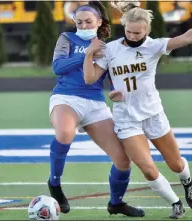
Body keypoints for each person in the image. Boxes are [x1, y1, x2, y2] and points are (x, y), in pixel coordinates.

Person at [83, 1, 192, 219]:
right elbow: (90, 78)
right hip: (126, 119)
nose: (133, 36)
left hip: (153, 114)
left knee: (175, 163)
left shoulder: (154, 46)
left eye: (138, 32)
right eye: (129, 31)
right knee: (148, 169)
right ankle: (175, 203)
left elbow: (187, 37)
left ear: (147, 31)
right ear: (124, 27)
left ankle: (187, 182)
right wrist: (88, 55)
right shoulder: (110, 50)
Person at [48, 1, 144, 218]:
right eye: (79, 22)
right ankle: (54, 183)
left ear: (99, 22)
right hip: (67, 97)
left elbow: (114, 76)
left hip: (95, 102)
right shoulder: (66, 38)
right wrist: (86, 54)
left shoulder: (107, 46)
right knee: (64, 133)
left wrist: (116, 92)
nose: (83, 26)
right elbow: (57, 67)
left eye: (88, 22)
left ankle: (116, 203)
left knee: (122, 159)